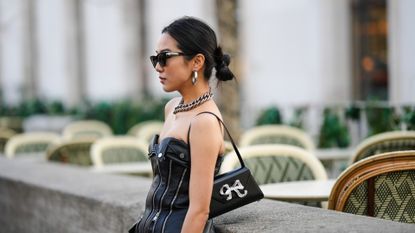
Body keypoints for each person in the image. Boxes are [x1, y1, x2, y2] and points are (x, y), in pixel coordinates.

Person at [129, 16, 236, 233]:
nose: (158, 67)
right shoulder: (172, 107)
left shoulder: (204, 121)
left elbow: (199, 211)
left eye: (165, 57)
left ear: (197, 62)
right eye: (155, 58)